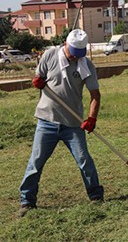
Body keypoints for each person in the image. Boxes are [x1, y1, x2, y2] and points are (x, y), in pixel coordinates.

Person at [18, 29, 104, 217]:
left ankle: (96, 196)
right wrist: (38, 82)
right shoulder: (49, 55)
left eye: (79, 54)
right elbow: (38, 77)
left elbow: (95, 95)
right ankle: (27, 201)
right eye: (73, 53)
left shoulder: (86, 65)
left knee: (84, 160)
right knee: (36, 162)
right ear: (66, 44)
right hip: (46, 121)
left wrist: (91, 119)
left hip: (73, 124)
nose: (75, 58)